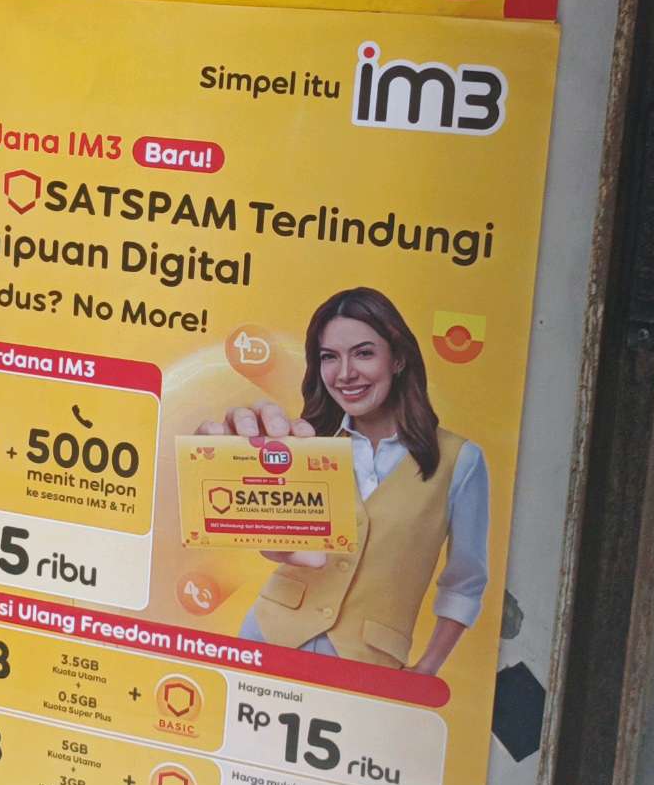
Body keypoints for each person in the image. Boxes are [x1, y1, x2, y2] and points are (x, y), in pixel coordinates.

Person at [202, 288, 489, 676]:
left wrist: (428, 668)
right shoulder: (305, 441)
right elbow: (272, 542)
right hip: (267, 635)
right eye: (329, 357)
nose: (345, 373)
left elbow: (465, 581)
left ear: (398, 358)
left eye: (364, 353)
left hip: (369, 661)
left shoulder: (460, 460)